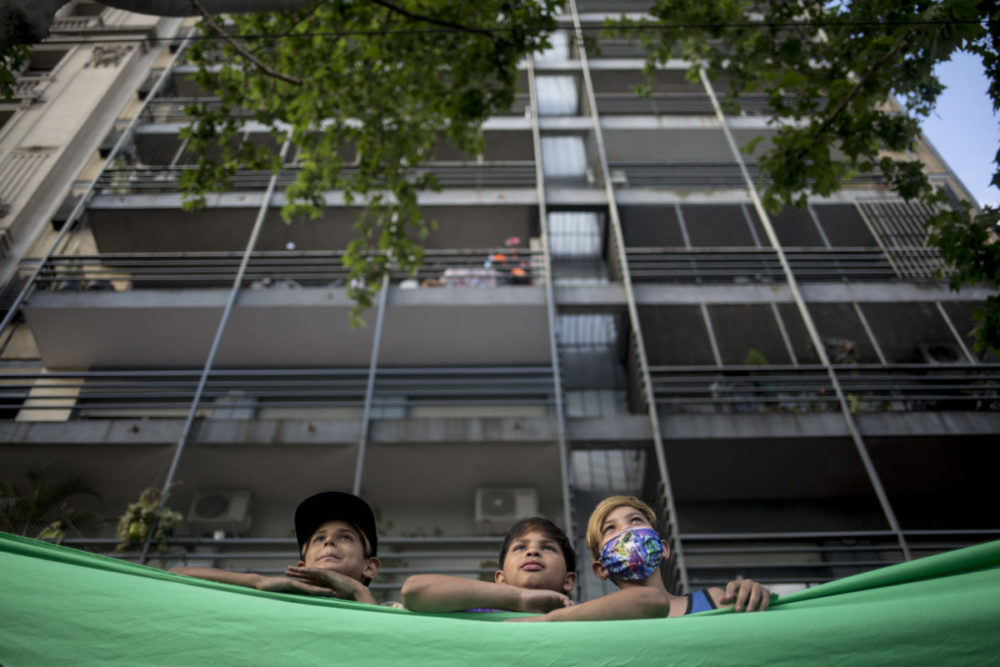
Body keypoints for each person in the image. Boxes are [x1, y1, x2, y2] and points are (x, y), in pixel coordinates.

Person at [511, 495, 771, 622]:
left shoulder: (715, 599)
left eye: (636, 521)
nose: (626, 531)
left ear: (664, 548)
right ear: (600, 568)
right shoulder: (595, 617)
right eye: (610, 529)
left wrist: (752, 594)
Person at [170, 491, 380, 605]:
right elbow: (177, 575)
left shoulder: (393, 612)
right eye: (318, 539)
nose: (329, 542)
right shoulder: (278, 600)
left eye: (345, 537)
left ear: (370, 567)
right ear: (302, 566)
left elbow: (383, 639)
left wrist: (357, 590)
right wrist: (258, 581)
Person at [401, 517, 576, 613]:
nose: (532, 552)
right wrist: (519, 598)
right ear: (500, 579)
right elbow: (413, 591)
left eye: (547, 547)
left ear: (568, 580)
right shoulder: (483, 612)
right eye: (520, 547)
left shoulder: (582, 613)